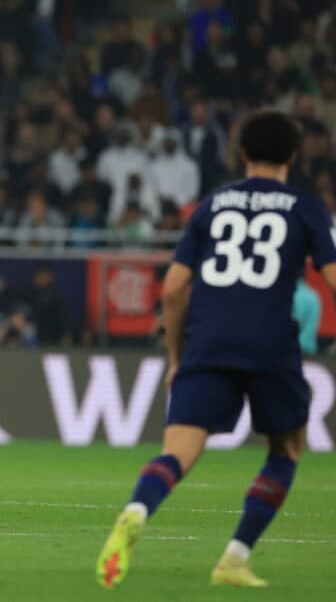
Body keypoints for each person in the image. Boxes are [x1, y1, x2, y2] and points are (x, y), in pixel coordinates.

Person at [96, 111, 336, 588]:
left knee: (178, 453)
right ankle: (234, 557)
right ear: (293, 155)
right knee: (286, 449)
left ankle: (137, 509)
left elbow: (172, 289)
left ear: (242, 153)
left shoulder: (214, 202)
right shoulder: (305, 206)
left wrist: (176, 359)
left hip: (208, 340)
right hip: (271, 342)